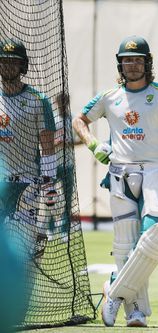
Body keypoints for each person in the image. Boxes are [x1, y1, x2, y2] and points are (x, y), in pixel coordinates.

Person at [72, 35, 158, 327]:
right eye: (127, 60)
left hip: (154, 171)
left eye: (138, 60)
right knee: (125, 245)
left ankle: (114, 288)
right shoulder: (110, 96)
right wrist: (93, 144)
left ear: (147, 63)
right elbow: (80, 121)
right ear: (120, 64)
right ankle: (135, 310)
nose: (132, 65)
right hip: (120, 173)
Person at [0, 37, 57, 258]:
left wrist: (49, 182)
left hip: (27, 182)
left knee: (23, 247)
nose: (7, 66)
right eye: (3, 61)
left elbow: (48, 147)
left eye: (13, 62)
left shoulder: (38, 100)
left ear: (23, 65)